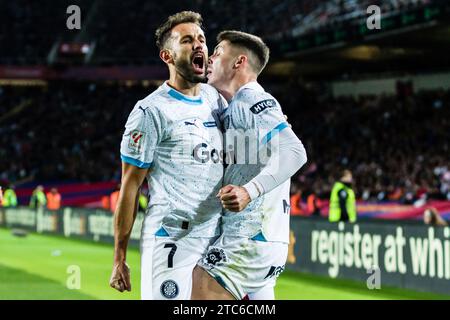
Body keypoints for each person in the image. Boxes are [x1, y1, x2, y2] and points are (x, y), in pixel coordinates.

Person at [109, 11, 226, 300]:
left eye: (201, 39)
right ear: (167, 56)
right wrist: (119, 257)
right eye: (187, 40)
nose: (199, 45)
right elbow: (130, 186)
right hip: (171, 240)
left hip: (215, 241)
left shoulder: (216, 100)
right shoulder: (150, 112)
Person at [191, 31, 307, 300]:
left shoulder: (251, 99)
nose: (210, 58)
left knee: (198, 292)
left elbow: (294, 152)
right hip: (258, 239)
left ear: (238, 62)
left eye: (218, 52)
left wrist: (248, 191)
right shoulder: (235, 108)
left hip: (249, 239)